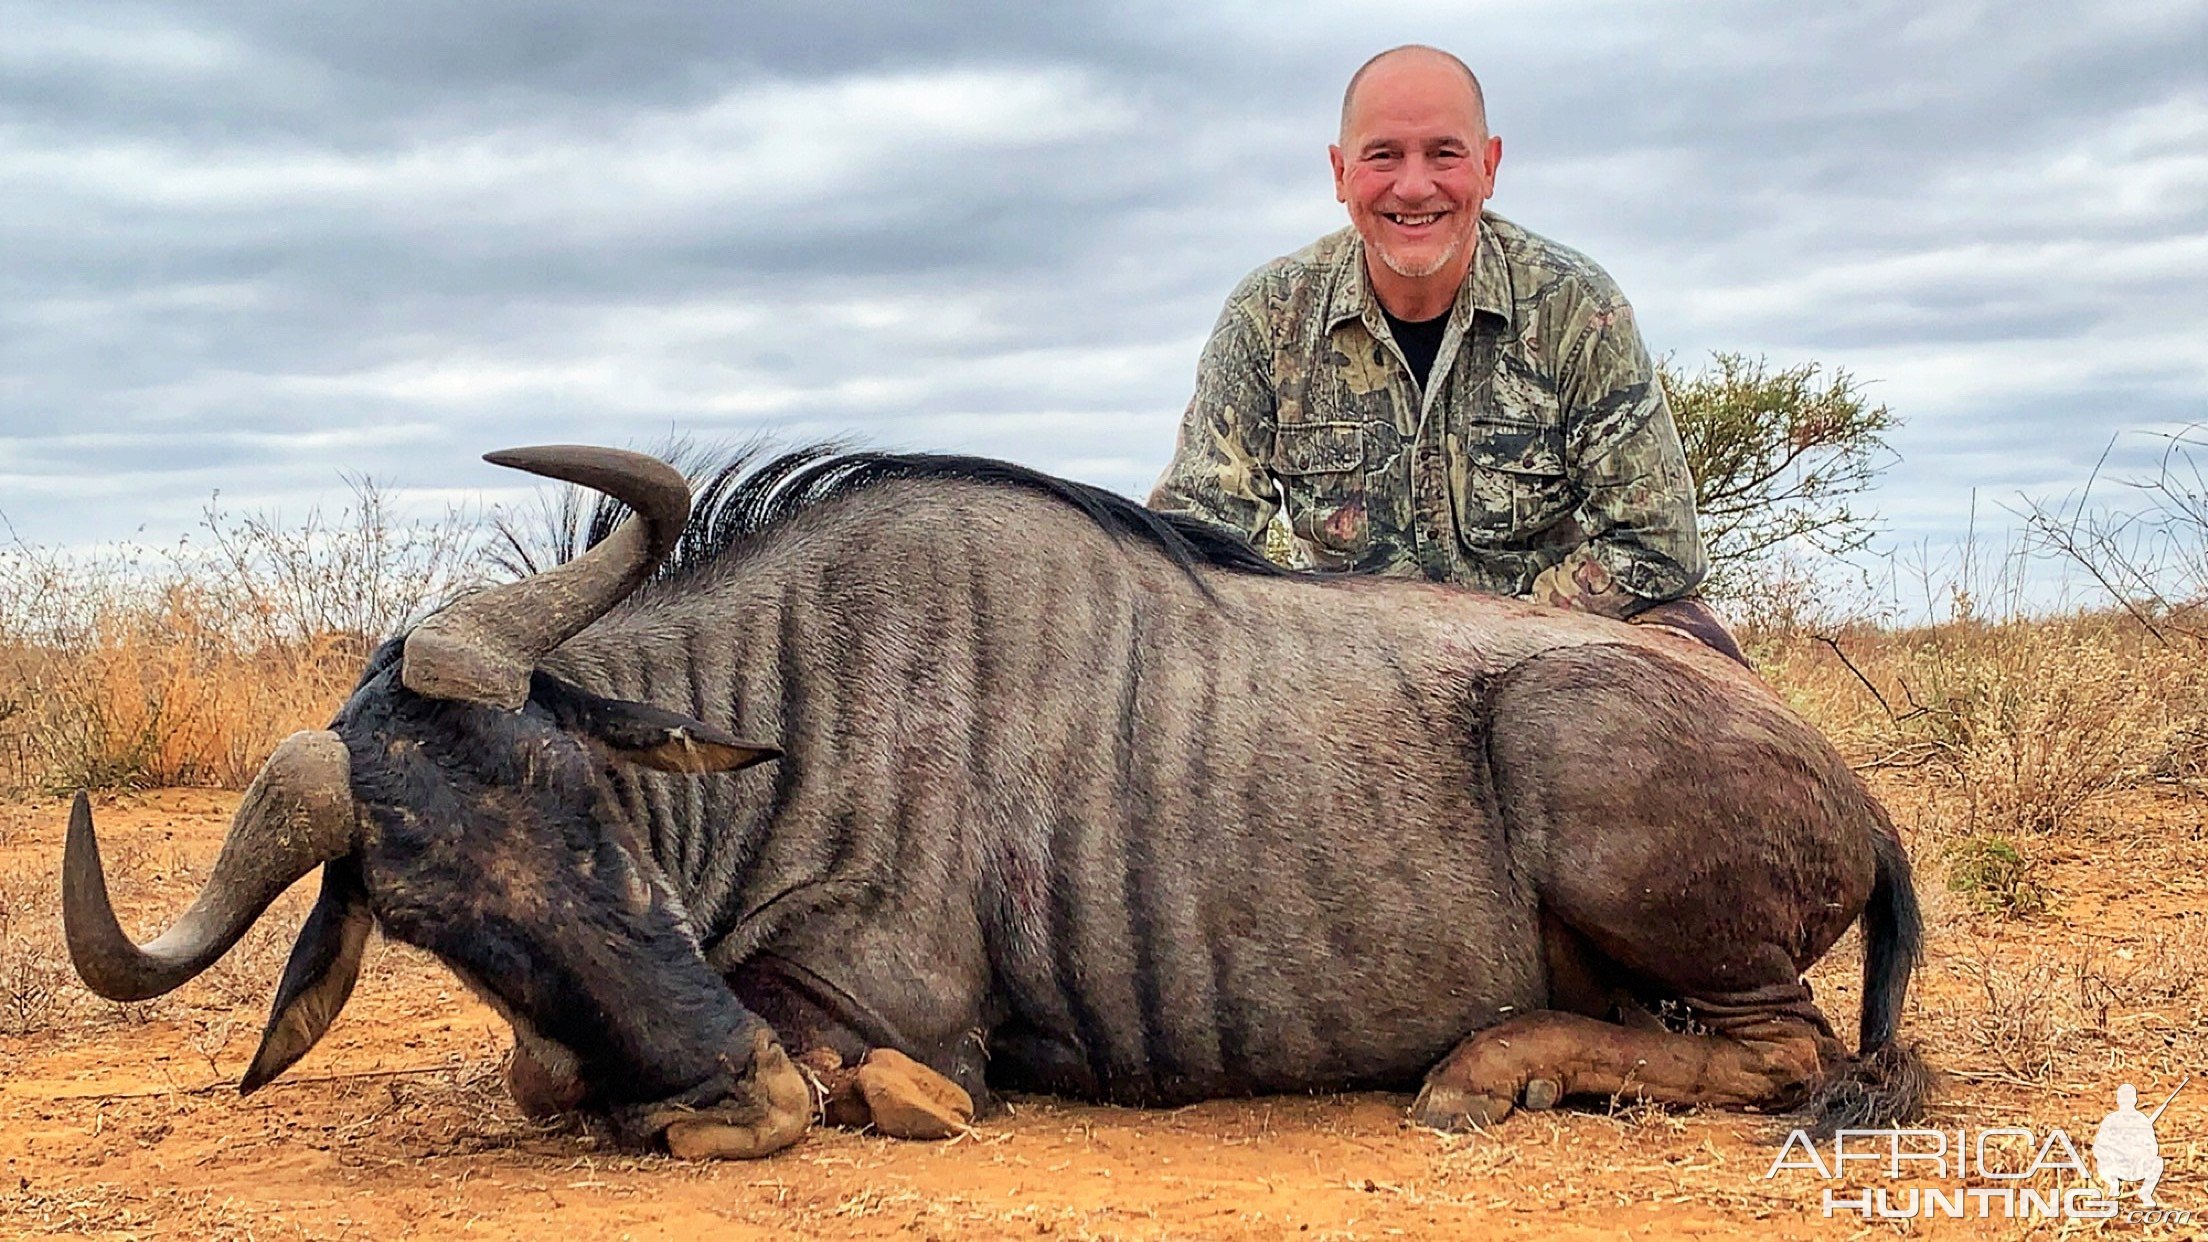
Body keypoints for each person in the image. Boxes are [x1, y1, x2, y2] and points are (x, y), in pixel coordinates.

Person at [1149, 45, 1739, 658]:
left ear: (1489, 166)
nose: (1413, 186)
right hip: (1350, 673)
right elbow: (1193, 549)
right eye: (1383, 156)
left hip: (1549, 667)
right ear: (1339, 171)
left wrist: (1494, 643)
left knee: (1702, 659)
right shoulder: (1268, 317)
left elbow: (1659, 545)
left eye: (1444, 154)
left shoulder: (1575, 308)